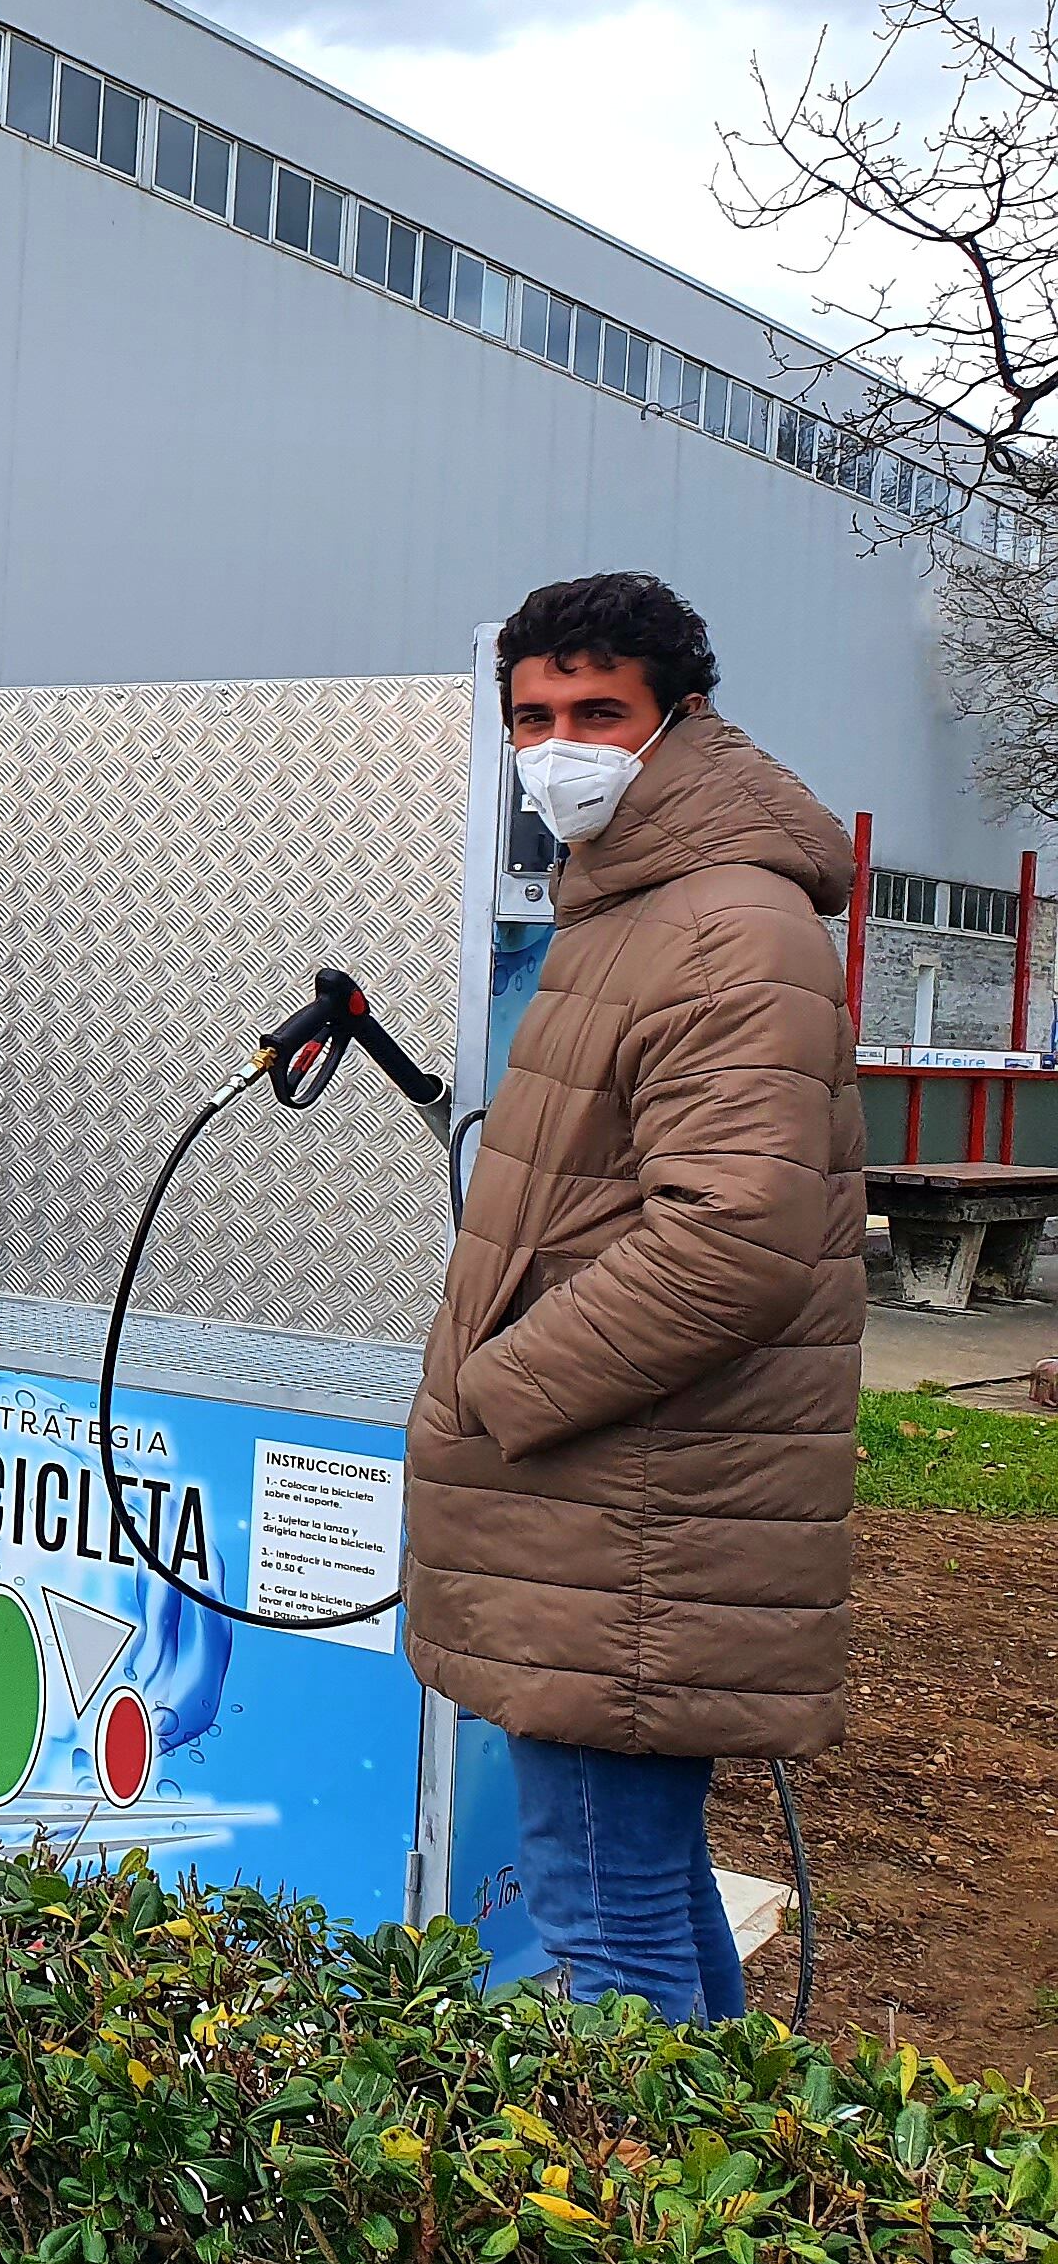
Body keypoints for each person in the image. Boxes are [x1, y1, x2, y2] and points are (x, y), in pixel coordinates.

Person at [405, 572, 860, 2020]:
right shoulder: (641, 904)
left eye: (598, 711)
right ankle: (745, 2202)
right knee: (643, 1888)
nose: (560, 746)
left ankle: (656, 2209)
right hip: (620, 1501)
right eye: (533, 716)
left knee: (606, 1923)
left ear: (681, 718)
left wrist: (508, 1385)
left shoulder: (725, 924)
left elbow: (729, 1236)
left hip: (633, 1504)